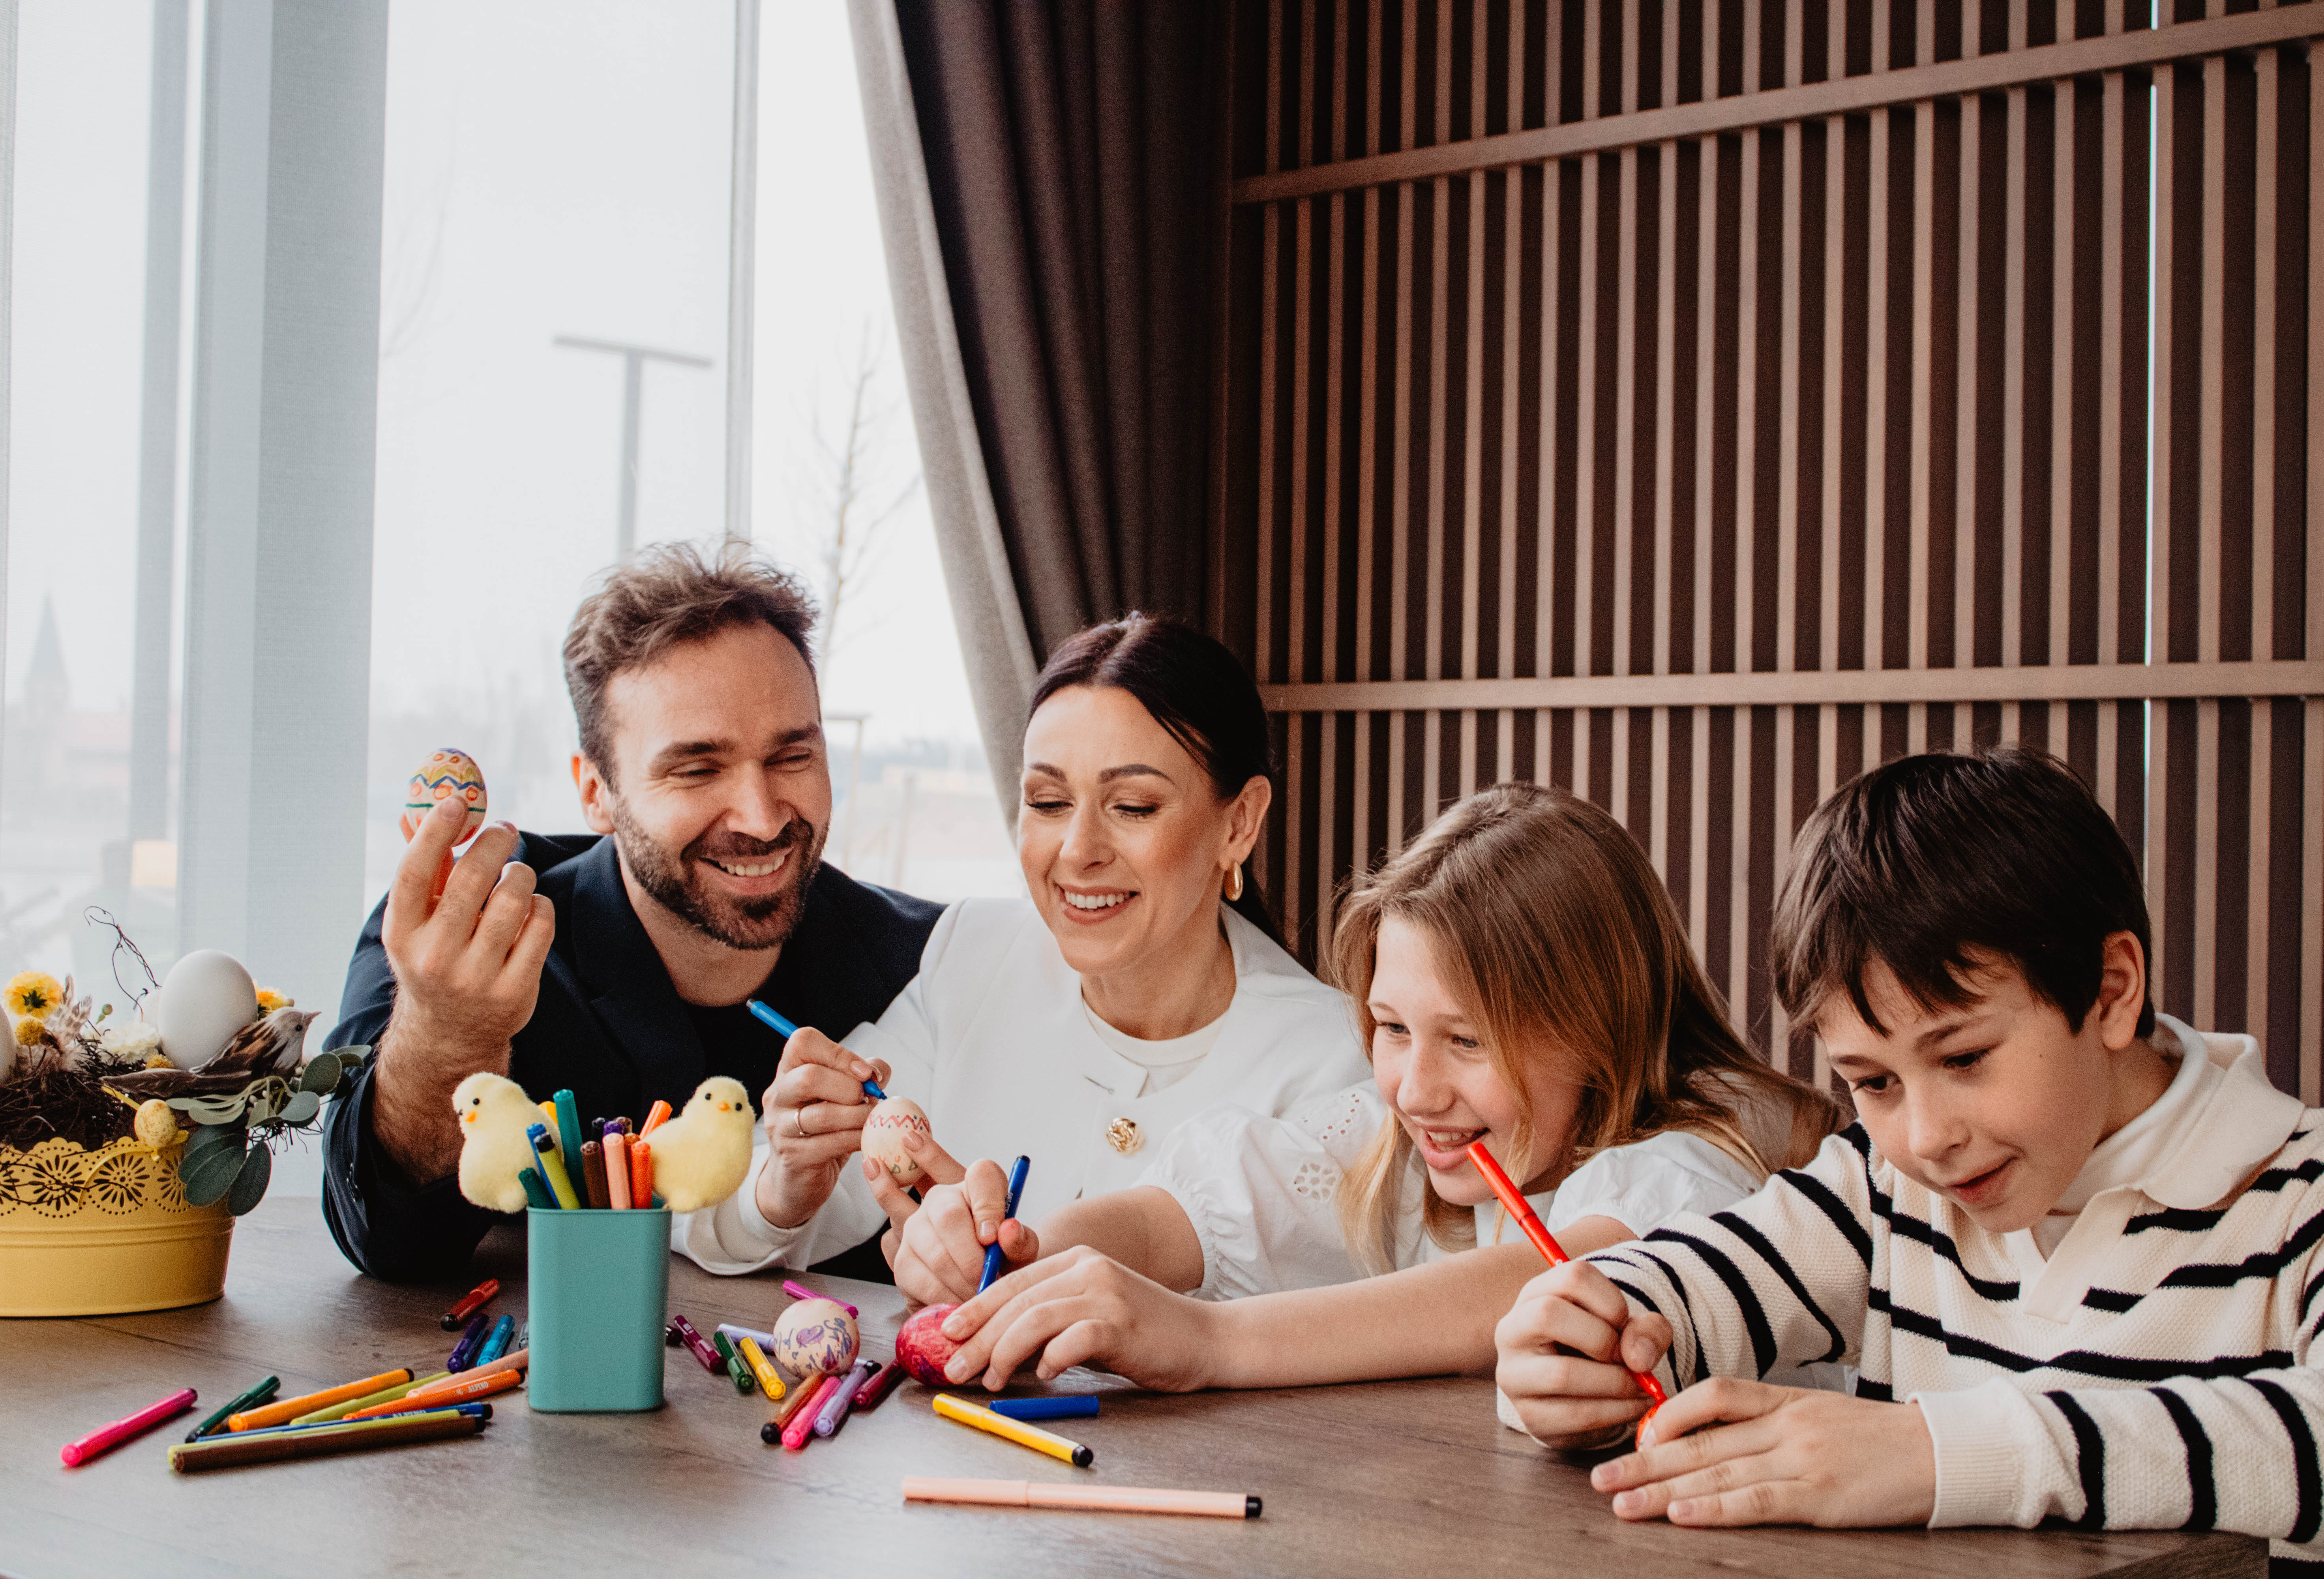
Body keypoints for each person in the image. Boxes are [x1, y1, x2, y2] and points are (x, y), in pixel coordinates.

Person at [1494, 748, 2324, 1568]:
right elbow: (1680, 1291)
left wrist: (1942, 1455)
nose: (1927, 1136)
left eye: (1963, 1058)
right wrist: (1577, 1348)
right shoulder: (1879, 1187)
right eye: (1874, 1080)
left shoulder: (2299, 1193)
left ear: (2110, 990)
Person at [881, 782, 1843, 1395]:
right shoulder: (1400, 1131)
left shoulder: (1704, 1154)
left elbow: (1546, 1289)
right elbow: (1196, 1208)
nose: (1415, 1088)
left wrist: (1207, 1339)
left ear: (1594, 1026)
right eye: (1390, 1028)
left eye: (1465, 1039)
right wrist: (1030, 1257)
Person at [673, 613, 1370, 1275]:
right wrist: (788, 1186)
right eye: (1047, 802)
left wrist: (1012, 1276)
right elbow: (751, 1218)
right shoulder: (976, 956)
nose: (1078, 851)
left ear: (1239, 823)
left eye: (1132, 808)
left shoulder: (1339, 1062)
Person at [320, 544, 940, 1282]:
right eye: (697, 769)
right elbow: (386, 1243)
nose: (763, 815)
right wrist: (450, 1038)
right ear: (597, 792)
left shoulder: (923, 968)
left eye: (791, 757)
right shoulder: (462, 940)